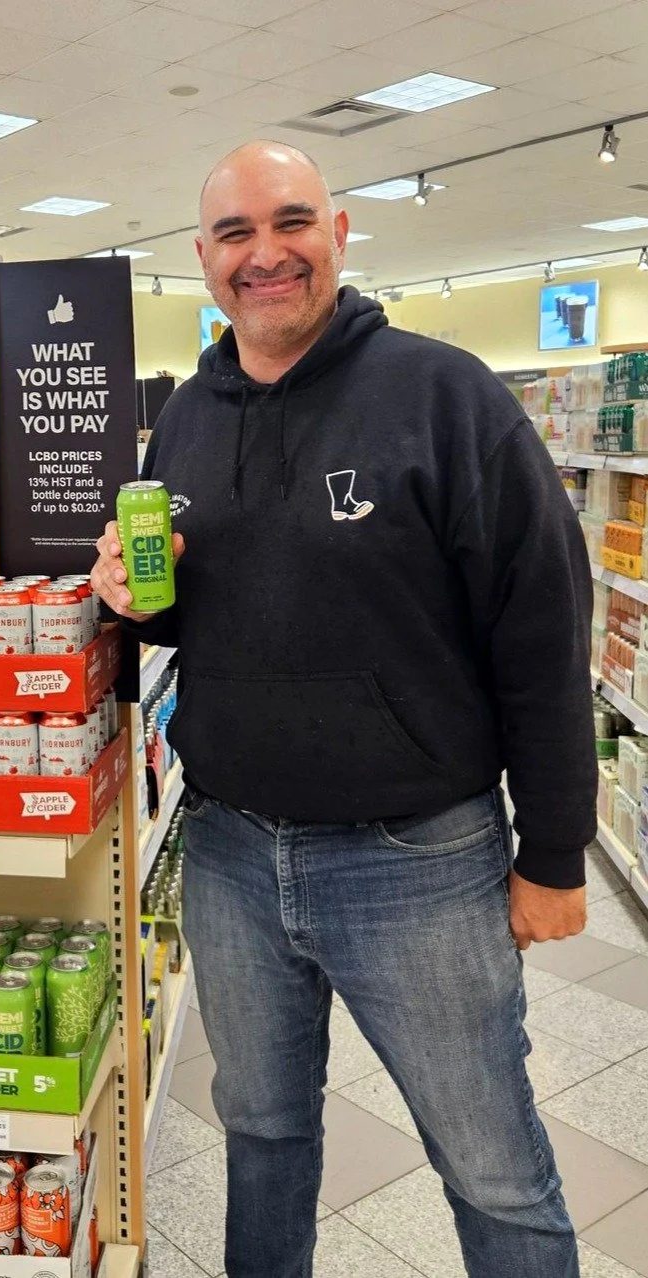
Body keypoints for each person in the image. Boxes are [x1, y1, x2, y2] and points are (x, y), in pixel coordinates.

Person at [91, 141, 596, 1278]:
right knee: (261, 1135)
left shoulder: (444, 397)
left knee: (491, 1169)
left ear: (339, 232)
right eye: (234, 235)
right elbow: (202, 613)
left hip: (415, 858)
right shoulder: (183, 420)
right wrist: (129, 602)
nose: (264, 255)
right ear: (201, 260)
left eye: (290, 223)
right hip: (225, 849)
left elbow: (539, 637)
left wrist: (554, 853)